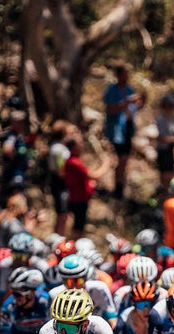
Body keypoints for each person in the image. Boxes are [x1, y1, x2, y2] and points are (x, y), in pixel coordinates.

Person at [102, 65, 144, 199]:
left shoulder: (129, 89)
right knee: (121, 159)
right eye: (124, 74)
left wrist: (140, 102)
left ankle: (121, 186)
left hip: (127, 129)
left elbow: (134, 109)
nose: (126, 77)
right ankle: (117, 187)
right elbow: (110, 109)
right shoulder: (112, 90)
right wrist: (125, 103)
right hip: (116, 130)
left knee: (125, 160)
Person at [62, 136, 112, 237]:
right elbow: (93, 175)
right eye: (79, 145)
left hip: (78, 198)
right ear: (73, 148)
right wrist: (106, 165)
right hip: (78, 199)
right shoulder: (74, 162)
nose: (81, 147)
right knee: (78, 227)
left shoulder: (74, 161)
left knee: (78, 225)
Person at [155, 95, 174, 188]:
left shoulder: (172, 118)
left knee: (171, 172)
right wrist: (173, 139)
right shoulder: (160, 119)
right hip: (163, 149)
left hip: (170, 149)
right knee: (164, 174)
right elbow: (161, 137)